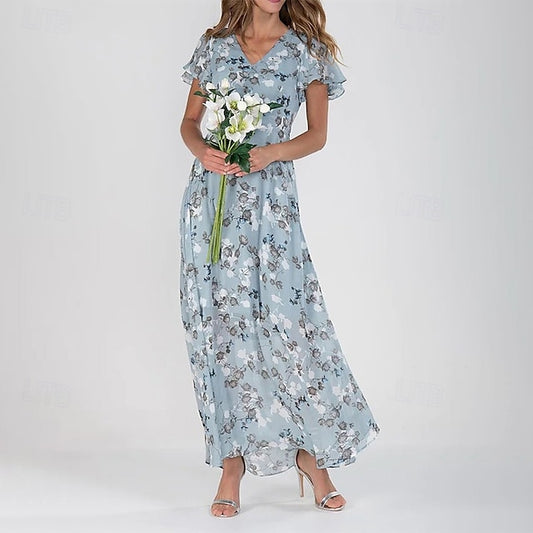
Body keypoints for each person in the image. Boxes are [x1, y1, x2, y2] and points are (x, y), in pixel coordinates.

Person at [179, 0, 380, 518]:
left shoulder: (307, 51)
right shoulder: (215, 47)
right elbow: (189, 123)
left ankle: (312, 456)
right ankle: (231, 463)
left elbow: (317, 135)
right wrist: (203, 151)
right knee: (220, 327)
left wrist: (268, 153)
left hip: (271, 203)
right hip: (212, 202)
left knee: (289, 323)